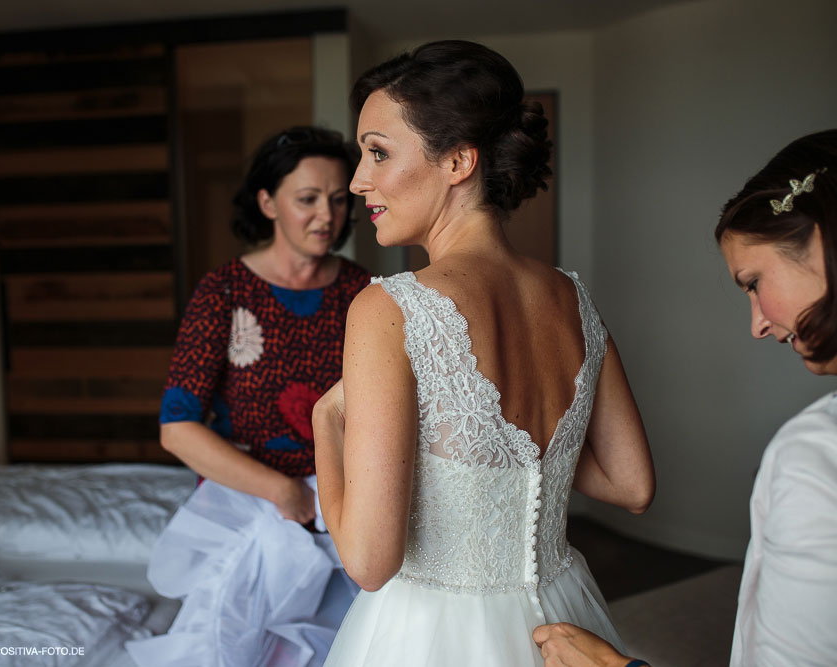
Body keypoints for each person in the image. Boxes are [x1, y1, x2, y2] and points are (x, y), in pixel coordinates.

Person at [311, 40, 655, 666]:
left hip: (430, 633)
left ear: (458, 162)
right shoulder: (572, 298)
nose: (359, 181)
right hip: (561, 613)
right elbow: (631, 485)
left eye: (378, 152)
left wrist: (324, 423)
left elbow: (368, 563)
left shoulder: (390, 309)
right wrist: (523, 450)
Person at [533, 129, 837, 667]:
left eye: (753, 282)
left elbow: (633, 487)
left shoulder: (815, 456)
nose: (758, 325)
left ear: (820, 240)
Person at [127, 126, 371, 667]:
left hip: (341, 505)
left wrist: (328, 498)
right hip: (247, 501)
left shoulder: (363, 293)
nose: (326, 216)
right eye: (307, 199)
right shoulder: (224, 292)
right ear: (268, 202)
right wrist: (284, 492)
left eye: (336, 200)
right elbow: (178, 427)